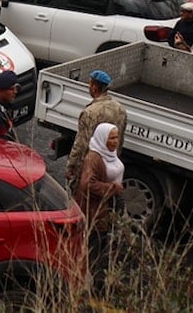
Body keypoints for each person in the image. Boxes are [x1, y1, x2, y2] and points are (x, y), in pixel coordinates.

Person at [65, 70, 127, 193]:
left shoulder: (89, 112)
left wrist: (71, 167)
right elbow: (120, 140)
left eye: (90, 84)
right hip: (111, 168)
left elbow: (81, 145)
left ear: (94, 87)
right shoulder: (120, 109)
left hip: (92, 167)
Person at [78, 122, 125, 281]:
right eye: (111, 138)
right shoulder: (94, 158)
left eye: (116, 137)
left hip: (108, 209)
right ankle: (91, 283)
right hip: (96, 213)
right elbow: (87, 184)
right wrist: (112, 189)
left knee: (104, 247)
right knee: (94, 250)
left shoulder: (109, 154)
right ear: (102, 138)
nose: (115, 141)